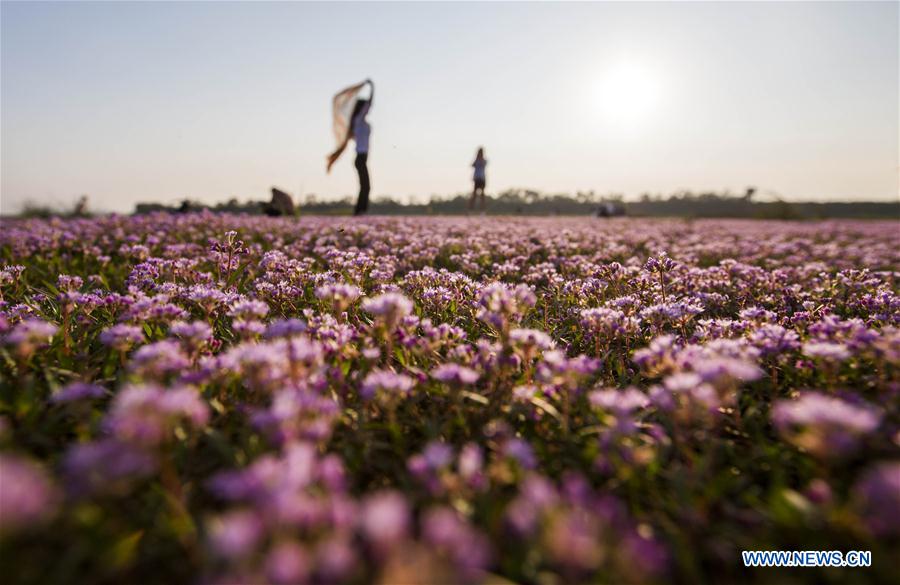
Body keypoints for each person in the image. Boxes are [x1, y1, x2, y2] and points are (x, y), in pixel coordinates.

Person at [327, 79, 374, 215]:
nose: (368, 109)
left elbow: (368, 105)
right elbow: (370, 103)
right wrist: (372, 86)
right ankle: (360, 212)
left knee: (365, 186)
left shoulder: (359, 123)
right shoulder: (358, 121)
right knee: (366, 186)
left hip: (362, 158)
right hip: (360, 157)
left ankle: (360, 211)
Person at [470, 147, 487, 211]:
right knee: (474, 194)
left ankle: (483, 210)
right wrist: (477, 159)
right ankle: (470, 210)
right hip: (476, 179)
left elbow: (484, 164)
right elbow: (472, 165)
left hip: (482, 179)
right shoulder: (476, 160)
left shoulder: (484, 160)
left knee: (482, 195)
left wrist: (480, 159)